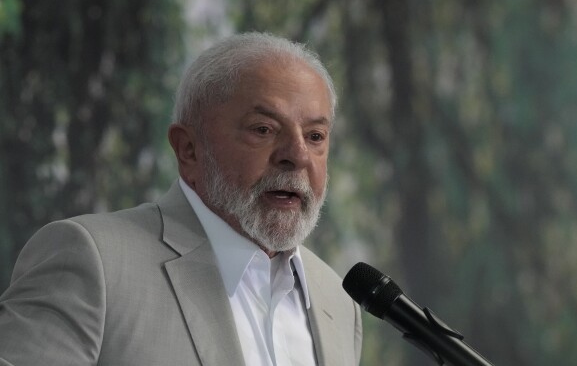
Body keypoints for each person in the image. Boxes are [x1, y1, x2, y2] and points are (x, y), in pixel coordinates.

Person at [0, 32, 362, 366]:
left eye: (316, 136)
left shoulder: (339, 301)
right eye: (263, 129)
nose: (297, 155)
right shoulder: (94, 261)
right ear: (188, 148)